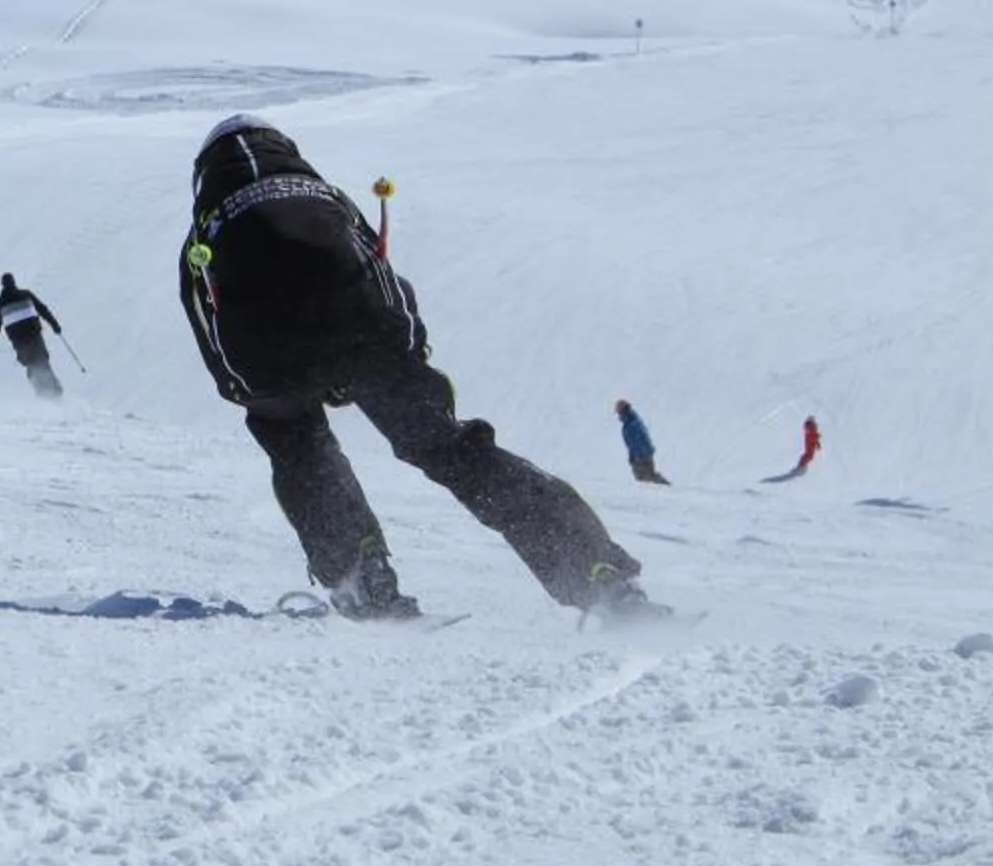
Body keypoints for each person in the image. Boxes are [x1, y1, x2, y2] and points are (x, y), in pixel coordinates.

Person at [177, 115, 660, 622]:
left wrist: (255, 393)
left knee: (302, 451)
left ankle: (363, 581)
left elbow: (206, 323)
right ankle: (598, 577)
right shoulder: (323, 195)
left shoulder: (205, 226)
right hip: (368, 335)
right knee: (450, 448)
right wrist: (403, 350)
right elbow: (377, 270)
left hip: (270, 358)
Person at [0, 272, 64, 397]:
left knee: (31, 364)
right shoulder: (26, 294)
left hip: (19, 340)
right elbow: (43, 310)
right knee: (42, 361)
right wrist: (55, 325)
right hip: (34, 335)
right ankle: (56, 393)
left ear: (2, 285)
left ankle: (43, 394)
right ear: (14, 282)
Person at [615, 399, 669, 484]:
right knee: (646, 477)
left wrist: (638, 456)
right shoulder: (630, 422)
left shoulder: (632, 424)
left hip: (642, 455)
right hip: (641, 454)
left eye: (619, 412)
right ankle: (664, 486)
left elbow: (637, 441)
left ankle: (665, 487)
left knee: (645, 478)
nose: (618, 415)